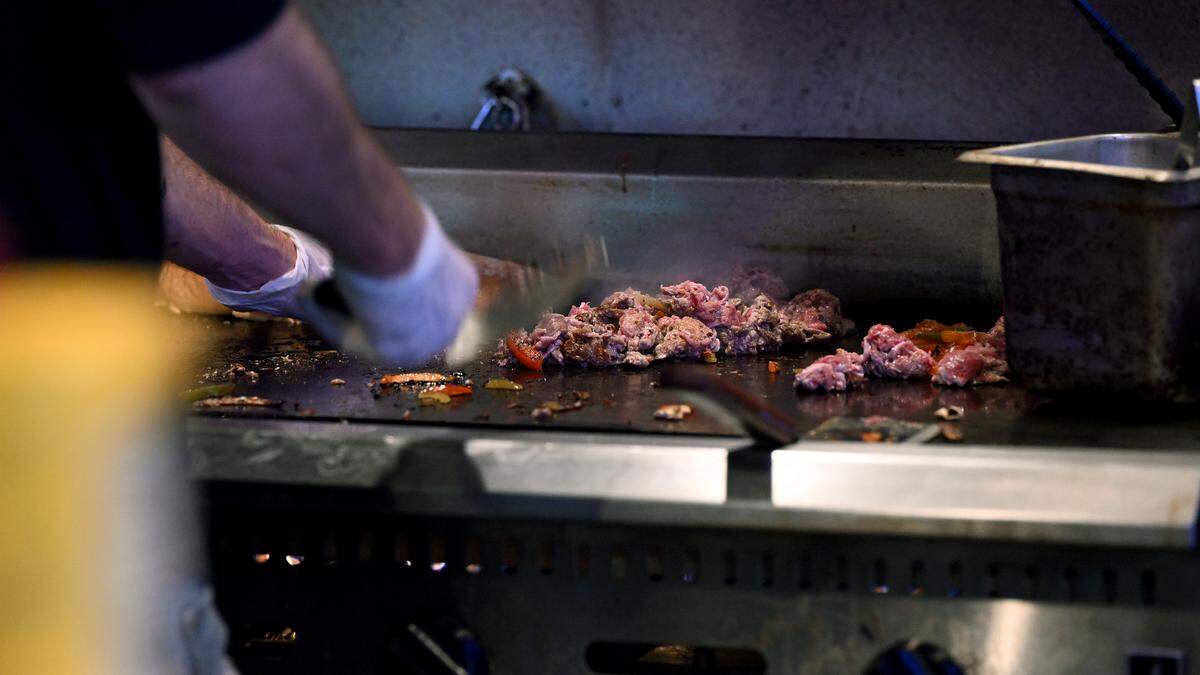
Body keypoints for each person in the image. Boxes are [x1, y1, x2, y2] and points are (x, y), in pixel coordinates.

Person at [0, 0, 479, 365]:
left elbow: (77, 126)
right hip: (36, 368)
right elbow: (205, 57)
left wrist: (282, 269)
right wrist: (401, 257)